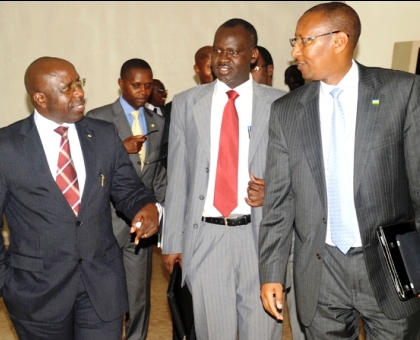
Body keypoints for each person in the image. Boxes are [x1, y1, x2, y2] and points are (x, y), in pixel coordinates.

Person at [259, 2, 420, 339]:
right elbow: (278, 202)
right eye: (295, 40)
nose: (294, 51)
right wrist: (271, 272)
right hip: (320, 269)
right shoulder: (287, 111)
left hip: (389, 266)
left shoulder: (401, 92)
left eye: (305, 40)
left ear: (339, 41)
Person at [0, 56, 160, 340]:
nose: (80, 93)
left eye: (79, 83)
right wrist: (6, 282)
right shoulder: (7, 147)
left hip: (101, 286)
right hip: (37, 293)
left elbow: (129, 190)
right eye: (68, 88)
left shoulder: (102, 135)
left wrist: (147, 207)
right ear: (40, 98)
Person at [162, 18, 286, 339]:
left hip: (260, 240)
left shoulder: (280, 105)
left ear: (253, 55)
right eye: (218, 50)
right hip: (207, 238)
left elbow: (295, 173)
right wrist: (172, 242)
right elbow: (178, 176)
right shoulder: (187, 103)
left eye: (233, 51)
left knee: (261, 332)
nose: (222, 58)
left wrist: (271, 192)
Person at [86, 58, 166, 340]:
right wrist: (120, 149)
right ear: (121, 84)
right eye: (135, 85)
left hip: (140, 226)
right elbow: (84, 168)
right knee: (103, 296)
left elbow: (156, 175)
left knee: (138, 296)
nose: (142, 92)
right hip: (104, 223)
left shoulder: (158, 121)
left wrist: (159, 210)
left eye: (147, 86)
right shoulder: (97, 119)